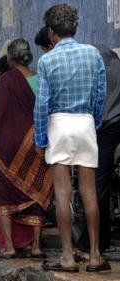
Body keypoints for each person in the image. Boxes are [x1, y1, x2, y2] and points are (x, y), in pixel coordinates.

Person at [34, 4, 108, 272]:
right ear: (74, 28)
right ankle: (96, 256)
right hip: (85, 123)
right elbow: (101, 94)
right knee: (89, 192)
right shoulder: (93, 54)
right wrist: (94, 122)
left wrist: (41, 138)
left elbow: (42, 103)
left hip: (59, 124)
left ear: (51, 33)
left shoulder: (46, 61)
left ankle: (66, 256)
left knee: (62, 193)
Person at [0, 39, 53, 259]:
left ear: (10, 59)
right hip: (37, 142)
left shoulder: (7, 80)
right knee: (37, 193)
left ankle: (9, 247)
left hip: (7, 147)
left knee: (3, 196)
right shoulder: (40, 78)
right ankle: (35, 246)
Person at [76, 46, 120, 259]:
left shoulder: (95, 72)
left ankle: (89, 244)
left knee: (96, 187)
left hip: (104, 130)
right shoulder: (116, 67)